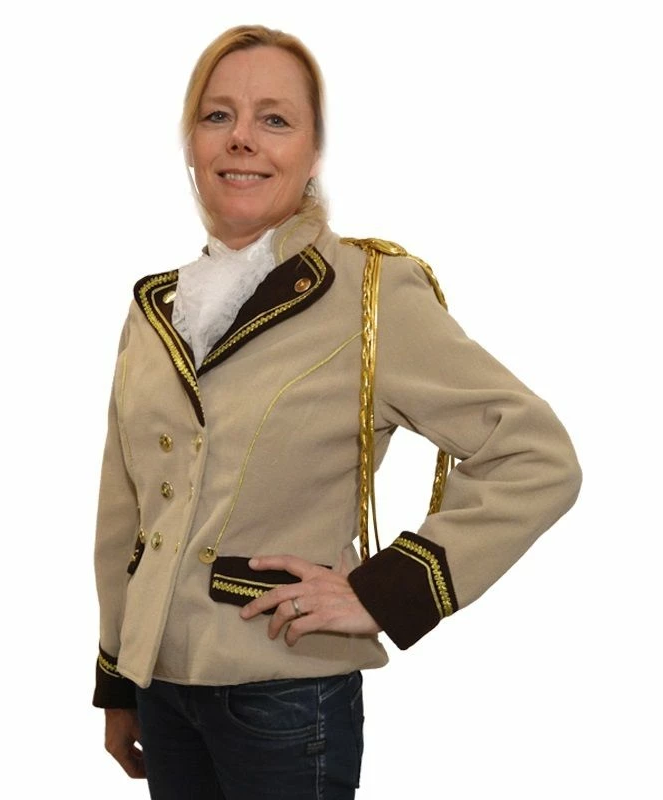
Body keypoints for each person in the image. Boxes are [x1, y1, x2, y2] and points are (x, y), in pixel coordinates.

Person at [91, 24, 581, 799]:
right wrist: (119, 674)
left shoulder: (371, 293)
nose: (242, 138)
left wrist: (384, 592)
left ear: (314, 151)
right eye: (218, 116)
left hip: (286, 695)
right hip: (163, 691)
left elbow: (535, 454)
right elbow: (125, 508)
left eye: (275, 119)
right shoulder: (156, 309)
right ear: (191, 142)